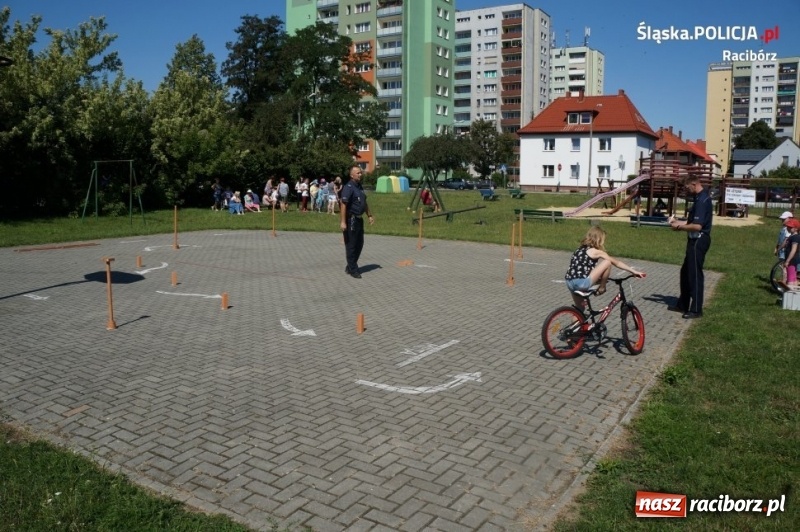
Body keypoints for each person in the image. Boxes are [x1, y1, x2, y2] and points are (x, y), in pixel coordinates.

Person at [564, 226, 645, 309]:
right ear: (599, 239)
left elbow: (581, 269)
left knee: (580, 309)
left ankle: (577, 322)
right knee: (607, 262)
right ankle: (602, 288)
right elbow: (616, 262)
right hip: (581, 283)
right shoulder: (596, 252)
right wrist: (633, 271)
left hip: (569, 281)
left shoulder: (579, 249)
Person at [668, 175, 712, 319]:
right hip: (693, 240)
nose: (686, 191)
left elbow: (697, 226)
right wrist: (676, 221)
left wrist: (679, 227)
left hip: (698, 240)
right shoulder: (698, 198)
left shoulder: (702, 200)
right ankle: (683, 304)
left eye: (687, 188)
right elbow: (690, 221)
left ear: (694, 184)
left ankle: (696, 309)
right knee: (685, 272)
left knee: (694, 275)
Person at [340, 164, 374, 279]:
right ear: (351, 175)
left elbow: (364, 202)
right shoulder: (348, 187)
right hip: (351, 220)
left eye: (360, 172)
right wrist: (343, 222)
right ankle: (353, 269)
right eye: (358, 173)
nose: (360, 174)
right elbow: (343, 205)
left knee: (360, 244)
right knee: (351, 245)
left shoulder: (359, 186)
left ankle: (350, 265)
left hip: (359, 219)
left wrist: (369, 215)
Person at [782, 218, 800, 290]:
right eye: (788, 226)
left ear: (796, 228)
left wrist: (787, 261)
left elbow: (793, 250)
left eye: (790, 227)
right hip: (792, 260)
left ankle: (789, 295)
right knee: (793, 278)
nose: (788, 228)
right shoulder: (791, 236)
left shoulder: (795, 237)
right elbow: (784, 243)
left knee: (790, 279)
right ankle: (795, 296)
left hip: (792, 260)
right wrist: (779, 249)